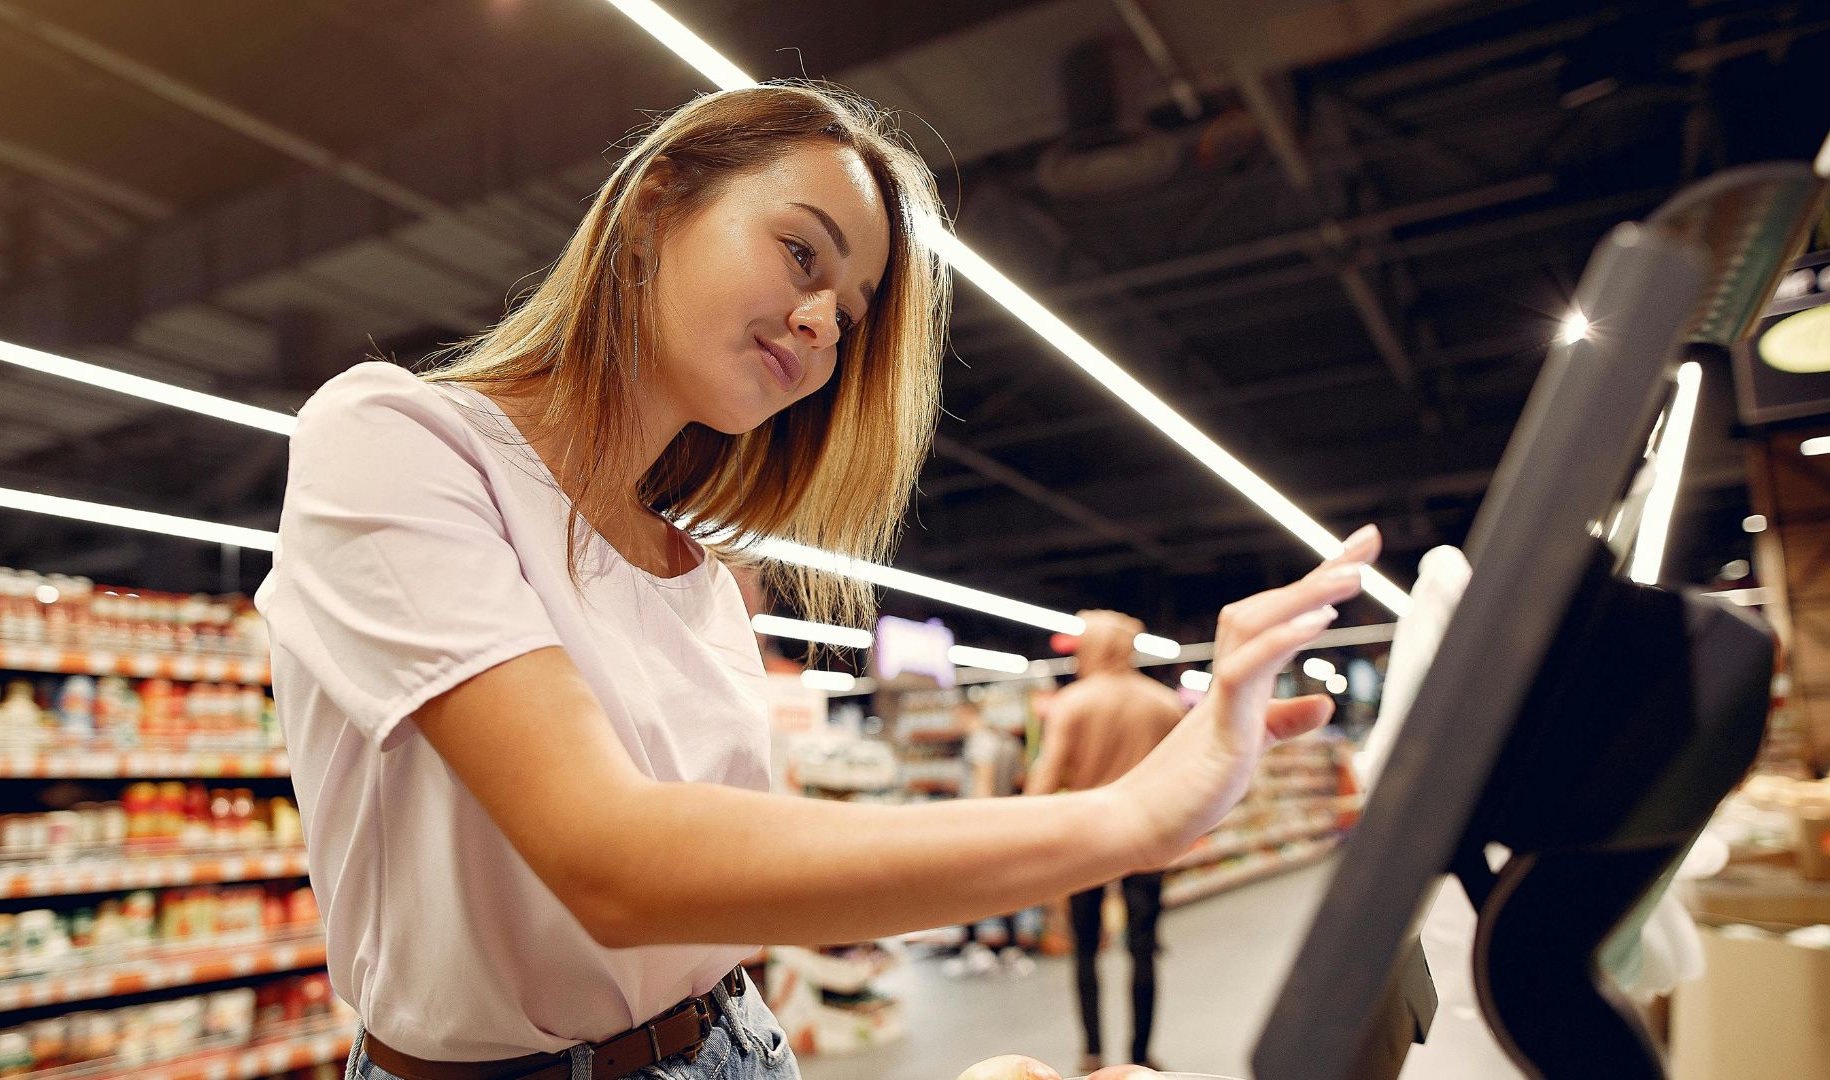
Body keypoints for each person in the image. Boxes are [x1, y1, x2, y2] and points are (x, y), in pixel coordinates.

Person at [256, 80, 1379, 1080]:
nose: (820, 321)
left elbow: (723, 891)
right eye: (803, 254)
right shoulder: (397, 438)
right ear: (656, 205)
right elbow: (609, 861)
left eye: (848, 314)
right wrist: (1130, 815)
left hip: (732, 1041)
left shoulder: (698, 575)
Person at [1023, 610, 1194, 1074]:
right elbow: (1185, 779)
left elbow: (1043, 780)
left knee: (1085, 949)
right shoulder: (1163, 704)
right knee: (1144, 949)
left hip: (1086, 844)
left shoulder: (1072, 703)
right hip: (1148, 841)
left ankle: (1092, 1053)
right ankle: (1141, 1056)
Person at [944, 701, 1037, 979]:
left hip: (979, 824)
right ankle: (1009, 948)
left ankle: (975, 948)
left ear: (965, 714)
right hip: (998, 820)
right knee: (1003, 885)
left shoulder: (979, 741)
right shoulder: (1000, 738)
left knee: (969, 887)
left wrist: (975, 824)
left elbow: (982, 781)